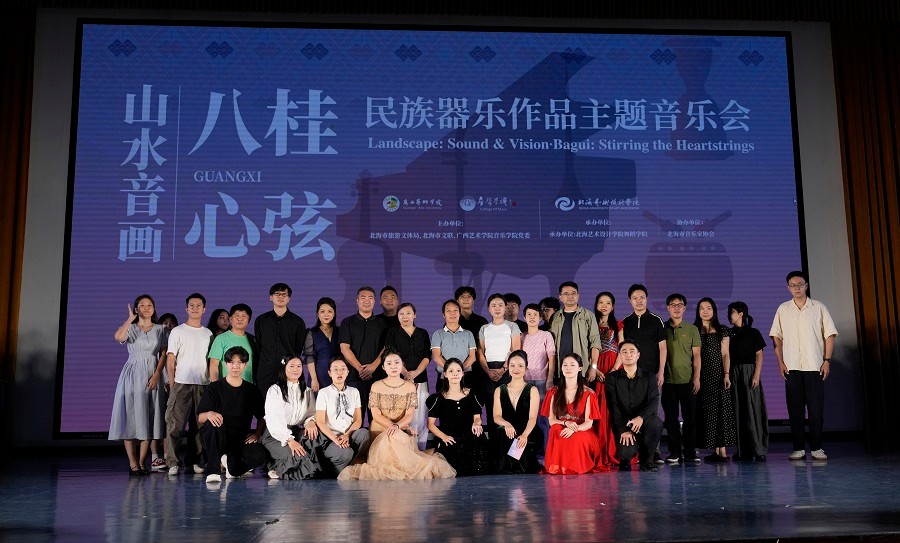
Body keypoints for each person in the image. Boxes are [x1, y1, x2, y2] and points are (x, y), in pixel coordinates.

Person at [338, 349, 456, 480]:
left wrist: (399, 426)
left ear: (402, 365)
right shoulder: (376, 385)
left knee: (398, 440)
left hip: (401, 428)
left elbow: (409, 415)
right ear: (383, 367)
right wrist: (394, 426)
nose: (393, 366)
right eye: (389, 363)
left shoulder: (410, 386)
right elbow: (376, 415)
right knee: (391, 439)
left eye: (397, 362)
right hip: (380, 429)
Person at [770, 271, 838, 461]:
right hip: (792, 367)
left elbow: (830, 334)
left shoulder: (819, 307)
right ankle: (798, 448)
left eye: (800, 284)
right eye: (793, 285)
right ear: (788, 288)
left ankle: (816, 448)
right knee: (795, 410)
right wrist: (780, 362)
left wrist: (827, 360)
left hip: (815, 366)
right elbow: (776, 336)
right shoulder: (783, 309)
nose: (797, 288)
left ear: (806, 285)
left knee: (816, 410)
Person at [110, 295, 167, 475]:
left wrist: (156, 374)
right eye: (142, 305)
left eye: (149, 305)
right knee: (131, 416)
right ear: (136, 309)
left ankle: (142, 462)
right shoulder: (131, 328)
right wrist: (129, 319)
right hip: (133, 374)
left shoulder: (161, 329)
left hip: (152, 372)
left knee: (148, 416)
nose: (146, 307)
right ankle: (133, 463)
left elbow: (163, 354)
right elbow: (118, 337)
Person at [197, 346, 267, 483]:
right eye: (231, 362)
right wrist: (209, 414)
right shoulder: (214, 388)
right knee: (213, 424)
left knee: (260, 454)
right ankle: (213, 471)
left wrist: (257, 434)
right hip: (217, 438)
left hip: (240, 440)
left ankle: (231, 465)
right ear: (225, 364)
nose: (235, 366)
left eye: (240, 362)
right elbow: (200, 417)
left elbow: (262, 416)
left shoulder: (252, 390)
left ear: (245, 364)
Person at [164, 293, 212, 476]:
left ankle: (193, 461)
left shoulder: (208, 333)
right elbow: (171, 359)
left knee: (199, 427)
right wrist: (172, 382)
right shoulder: (178, 331)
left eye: (198, 305)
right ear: (186, 308)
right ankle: (172, 462)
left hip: (202, 384)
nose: (195, 308)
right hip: (181, 383)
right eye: (191, 305)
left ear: (204, 309)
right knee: (175, 425)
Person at [621, 283, 667, 464]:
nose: (639, 301)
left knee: (652, 413)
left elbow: (663, 348)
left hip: (652, 376)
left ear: (647, 299)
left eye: (642, 297)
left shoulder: (656, 320)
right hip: (630, 376)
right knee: (632, 411)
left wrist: (661, 372)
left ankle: (653, 452)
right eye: (635, 298)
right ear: (630, 300)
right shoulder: (626, 322)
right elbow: (623, 350)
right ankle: (635, 451)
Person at [541, 353, 607, 474]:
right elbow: (551, 421)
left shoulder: (588, 393)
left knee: (576, 437)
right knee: (555, 429)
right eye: (565, 365)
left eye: (572, 365)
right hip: (564, 425)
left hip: (583, 430)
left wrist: (574, 429)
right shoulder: (553, 392)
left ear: (580, 368)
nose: (568, 368)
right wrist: (566, 423)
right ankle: (558, 466)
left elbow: (589, 423)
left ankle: (575, 467)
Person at [604, 340, 663, 472]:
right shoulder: (612, 378)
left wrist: (641, 417)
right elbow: (614, 407)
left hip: (644, 421)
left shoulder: (649, 377)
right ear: (620, 356)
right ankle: (625, 459)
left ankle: (648, 460)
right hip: (624, 423)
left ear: (638, 355)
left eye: (632, 351)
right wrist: (623, 430)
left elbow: (654, 401)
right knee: (626, 453)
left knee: (656, 423)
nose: (628, 355)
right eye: (624, 352)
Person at [261, 354, 323, 479]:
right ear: (284, 368)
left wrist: (311, 421)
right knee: (297, 457)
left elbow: (311, 413)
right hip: (275, 435)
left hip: (295, 431)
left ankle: (281, 461)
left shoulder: (307, 391)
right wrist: (289, 440)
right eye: (292, 366)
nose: (296, 369)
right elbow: (275, 419)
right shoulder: (275, 390)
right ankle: (273, 465)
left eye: (299, 366)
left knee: (315, 437)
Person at [426, 358, 491, 476]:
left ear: (462, 373)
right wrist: (443, 437)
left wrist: (477, 423)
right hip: (449, 436)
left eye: (458, 371)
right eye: (451, 371)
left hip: (469, 434)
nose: (455, 374)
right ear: (445, 374)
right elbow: (430, 424)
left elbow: (477, 417)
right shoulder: (438, 398)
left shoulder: (472, 394)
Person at [384, 302, 431, 450]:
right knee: (402, 415)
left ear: (414, 315)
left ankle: (421, 448)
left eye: (408, 313)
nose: (405, 316)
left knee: (421, 414)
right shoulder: (393, 332)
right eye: (401, 314)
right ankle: (405, 449)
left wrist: (416, 373)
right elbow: (391, 354)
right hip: (399, 380)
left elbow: (427, 356)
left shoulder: (422, 333)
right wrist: (405, 373)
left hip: (420, 379)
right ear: (397, 316)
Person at [314, 357, 371, 476]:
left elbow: (358, 420)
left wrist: (347, 435)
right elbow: (320, 422)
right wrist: (336, 439)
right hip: (331, 439)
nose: (339, 372)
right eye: (335, 369)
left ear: (348, 372)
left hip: (349, 435)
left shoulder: (354, 391)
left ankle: (351, 464)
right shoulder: (324, 393)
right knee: (346, 452)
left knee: (364, 434)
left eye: (343, 369)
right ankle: (335, 471)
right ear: (329, 373)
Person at [662, 293, 702, 464]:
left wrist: (696, 378)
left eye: (680, 305)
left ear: (685, 308)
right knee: (671, 419)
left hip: (688, 381)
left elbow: (697, 356)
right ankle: (675, 452)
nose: (676, 308)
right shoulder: (661, 328)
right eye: (673, 305)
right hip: (667, 382)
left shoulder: (692, 329)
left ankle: (690, 452)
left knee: (690, 419)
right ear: (667, 308)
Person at [695, 297, 736, 463]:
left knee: (721, 411)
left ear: (714, 311)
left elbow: (726, 354)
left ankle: (723, 451)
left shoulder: (722, 330)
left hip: (718, 374)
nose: (705, 311)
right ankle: (714, 449)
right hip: (701, 376)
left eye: (709, 308)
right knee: (708, 412)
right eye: (702, 308)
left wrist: (726, 374)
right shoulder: (694, 330)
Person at [728, 301, 769, 461]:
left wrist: (756, 375)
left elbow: (759, 355)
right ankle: (742, 451)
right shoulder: (729, 334)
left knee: (753, 410)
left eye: (732, 312)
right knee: (738, 410)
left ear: (741, 314)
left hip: (749, 372)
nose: (729, 315)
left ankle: (758, 449)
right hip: (734, 373)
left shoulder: (753, 332)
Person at [339, 286, 387, 418]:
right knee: (353, 417)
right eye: (363, 297)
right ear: (357, 300)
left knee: (377, 418)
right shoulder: (348, 322)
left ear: (374, 301)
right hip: (353, 377)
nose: (367, 301)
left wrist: (373, 367)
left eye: (370, 298)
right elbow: (344, 348)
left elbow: (386, 348)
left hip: (377, 376)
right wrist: (361, 369)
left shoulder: (382, 323)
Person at [492, 350, 543, 474]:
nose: (516, 369)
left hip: (528, 431)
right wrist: (507, 424)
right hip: (508, 431)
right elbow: (497, 416)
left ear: (526, 368)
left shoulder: (532, 390)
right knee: (501, 431)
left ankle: (517, 468)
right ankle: (507, 469)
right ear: (508, 368)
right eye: (512, 365)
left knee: (522, 453)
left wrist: (525, 435)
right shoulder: (499, 390)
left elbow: (532, 418)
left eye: (520, 365)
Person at [253, 283, 307, 396]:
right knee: (263, 403)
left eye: (284, 294)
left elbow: (298, 348)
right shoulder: (261, 320)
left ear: (289, 298)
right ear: (271, 297)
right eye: (277, 294)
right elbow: (258, 347)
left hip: (287, 372)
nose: (280, 297)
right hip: (265, 371)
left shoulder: (298, 322)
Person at [478, 293, 522, 430]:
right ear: (489, 309)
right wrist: (488, 371)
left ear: (505, 307)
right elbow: (481, 352)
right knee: (491, 406)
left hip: (507, 369)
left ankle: (510, 440)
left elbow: (516, 350)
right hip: (488, 370)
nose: (497, 308)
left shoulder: (512, 326)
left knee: (508, 406)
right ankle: (493, 440)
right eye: (494, 305)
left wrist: (504, 369)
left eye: (500, 305)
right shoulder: (484, 328)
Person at [593, 291, 625, 468]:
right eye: (601, 302)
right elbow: (588, 349)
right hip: (596, 371)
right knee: (598, 409)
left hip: (614, 371)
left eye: (608, 303)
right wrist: (595, 370)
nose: (604, 306)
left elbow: (622, 349)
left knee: (613, 410)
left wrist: (613, 370)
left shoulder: (618, 325)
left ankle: (613, 450)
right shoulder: (591, 324)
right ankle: (598, 449)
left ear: (612, 306)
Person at [548, 281, 601, 381]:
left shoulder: (588, 316)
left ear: (578, 296)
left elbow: (595, 343)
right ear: (560, 297)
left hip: (582, 370)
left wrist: (593, 368)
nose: (570, 296)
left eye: (573, 293)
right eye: (566, 294)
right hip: (559, 370)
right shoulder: (555, 317)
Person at [521, 303, 555, 452]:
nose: (532, 317)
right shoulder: (521, 336)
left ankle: (546, 452)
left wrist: (550, 379)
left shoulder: (546, 335)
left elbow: (552, 358)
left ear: (540, 317)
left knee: (543, 418)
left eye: (535, 314)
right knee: (526, 418)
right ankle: (526, 453)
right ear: (524, 317)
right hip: (525, 382)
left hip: (542, 380)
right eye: (529, 314)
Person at [208, 303, 258, 384]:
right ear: (230, 319)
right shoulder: (221, 339)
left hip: (248, 387)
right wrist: (215, 387)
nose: (240, 319)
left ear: (248, 320)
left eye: (244, 316)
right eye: (237, 315)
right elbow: (214, 365)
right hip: (226, 386)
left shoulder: (252, 339)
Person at [431, 299, 477, 385]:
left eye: (455, 310)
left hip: (465, 376)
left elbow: (472, 357)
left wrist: (459, 371)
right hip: (444, 377)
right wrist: (451, 371)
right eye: (448, 311)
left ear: (459, 313)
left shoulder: (468, 334)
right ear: (443, 315)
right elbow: (436, 357)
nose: (452, 313)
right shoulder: (438, 334)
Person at [456, 286, 490, 398]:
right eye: (462, 296)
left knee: (478, 400)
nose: (466, 299)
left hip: (478, 368)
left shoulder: (482, 321)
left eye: (469, 296)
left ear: (473, 300)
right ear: (457, 300)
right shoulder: (452, 321)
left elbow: (485, 346)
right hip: (458, 367)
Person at [303, 297, 341, 393]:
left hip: (338, 374)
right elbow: (309, 357)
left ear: (334, 314)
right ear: (317, 314)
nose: (326, 314)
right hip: (318, 375)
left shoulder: (340, 331)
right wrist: (314, 379)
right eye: (322, 311)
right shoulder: (311, 332)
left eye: (330, 311)